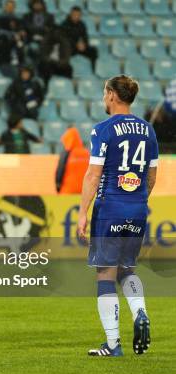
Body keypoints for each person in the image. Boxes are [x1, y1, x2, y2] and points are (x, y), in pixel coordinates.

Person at [77, 75, 158, 357]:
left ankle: (113, 345)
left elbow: (93, 174)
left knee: (105, 273)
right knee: (128, 270)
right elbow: (151, 175)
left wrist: (82, 212)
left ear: (112, 95)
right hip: (137, 208)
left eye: (104, 93)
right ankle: (141, 312)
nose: (103, 98)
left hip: (109, 208)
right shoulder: (148, 130)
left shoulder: (103, 130)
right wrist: (136, 201)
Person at [0, 0, 26, 78]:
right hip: (4, 47)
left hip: (16, 46)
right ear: (5, 7)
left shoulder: (18, 20)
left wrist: (21, 34)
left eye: (12, 7)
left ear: (14, 8)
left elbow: (21, 32)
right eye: (8, 6)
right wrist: (13, 35)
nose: (10, 8)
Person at [55, 126, 90, 193]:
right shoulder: (86, 153)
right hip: (84, 192)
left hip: (68, 191)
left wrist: (58, 186)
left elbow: (60, 170)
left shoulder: (66, 154)